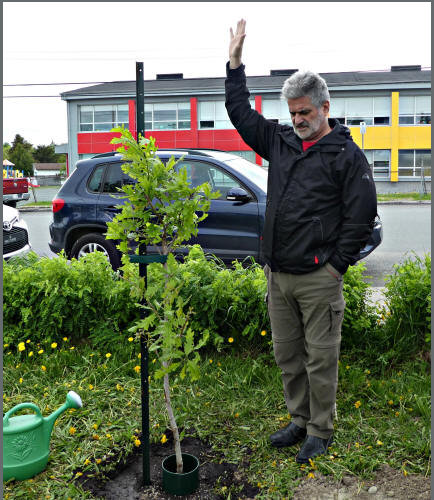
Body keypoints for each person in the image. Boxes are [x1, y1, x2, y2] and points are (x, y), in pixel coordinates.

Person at [225, 19, 377, 463]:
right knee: (288, 355)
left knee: (320, 359)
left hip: (318, 278)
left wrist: (336, 267)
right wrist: (235, 65)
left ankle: (321, 429)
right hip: (279, 274)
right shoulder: (282, 142)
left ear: (324, 107)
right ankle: (298, 419)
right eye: (292, 113)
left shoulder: (347, 156)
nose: (297, 121)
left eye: (304, 113)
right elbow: (240, 113)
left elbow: (361, 216)